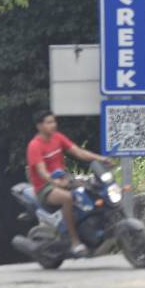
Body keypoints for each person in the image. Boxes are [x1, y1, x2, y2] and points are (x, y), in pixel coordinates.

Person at [26, 110, 113, 258]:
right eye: (49, 122)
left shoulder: (58, 138)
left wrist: (100, 158)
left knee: (90, 188)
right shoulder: (34, 145)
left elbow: (78, 152)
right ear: (39, 126)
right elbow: (42, 171)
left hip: (64, 179)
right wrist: (55, 182)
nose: (53, 125)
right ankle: (74, 241)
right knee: (68, 198)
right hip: (45, 187)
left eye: (54, 121)